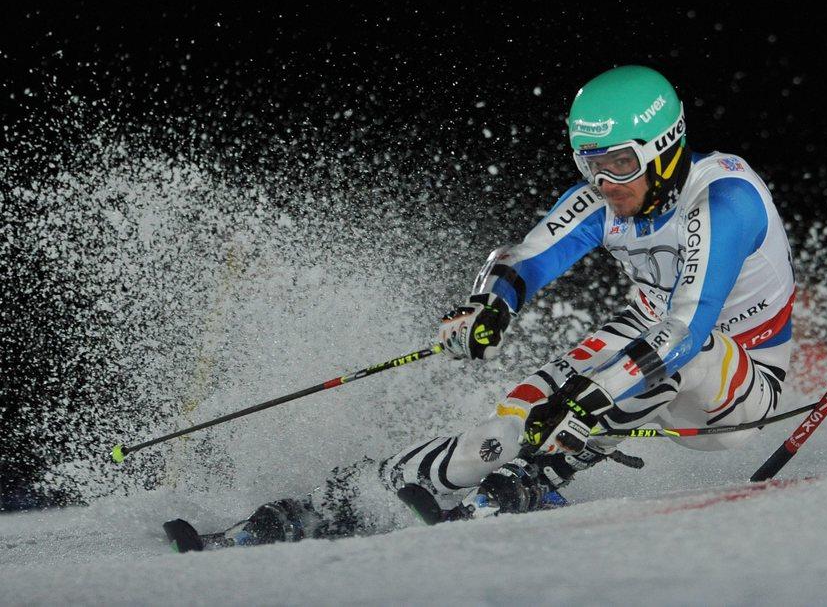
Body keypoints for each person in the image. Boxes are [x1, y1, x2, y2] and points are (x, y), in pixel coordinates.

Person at [209, 64, 796, 548]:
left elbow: (686, 331)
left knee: (653, 365)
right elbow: (523, 259)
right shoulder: (602, 198)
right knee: (500, 430)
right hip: (645, 338)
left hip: (737, 382)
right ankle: (337, 502)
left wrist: (589, 395)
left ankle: (539, 481)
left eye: (620, 163)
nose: (606, 181)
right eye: (590, 163)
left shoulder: (724, 199)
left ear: (665, 149)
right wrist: (489, 305)